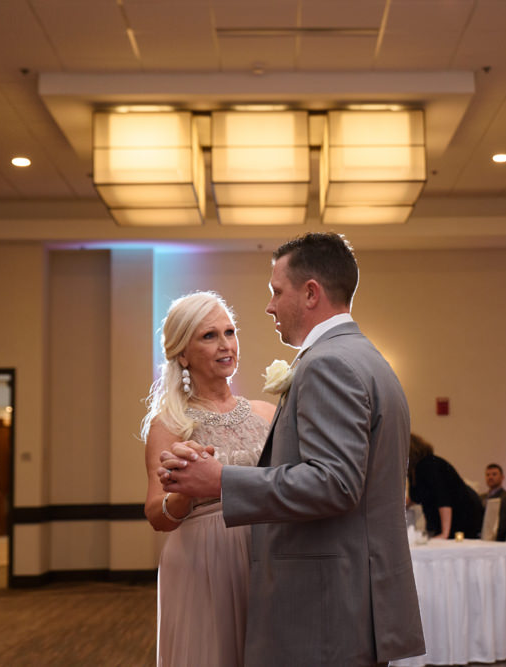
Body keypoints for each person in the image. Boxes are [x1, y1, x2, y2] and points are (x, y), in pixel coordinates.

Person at [161, 232, 425, 667]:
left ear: (310, 293)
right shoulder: (368, 357)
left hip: (324, 605)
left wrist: (220, 480)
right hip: (353, 593)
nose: (269, 306)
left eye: (275, 292)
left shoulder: (328, 364)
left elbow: (335, 483)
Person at [141, 291, 275, 667]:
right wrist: (182, 492)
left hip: (266, 552)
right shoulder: (170, 424)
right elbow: (157, 514)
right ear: (182, 354)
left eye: (229, 332)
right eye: (209, 336)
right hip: (203, 558)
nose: (225, 344)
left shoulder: (267, 413)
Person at [407, 434, 484, 539]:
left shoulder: (429, 464)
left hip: (462, 515)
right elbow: (416, 496)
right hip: (449, 515)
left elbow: (443, 498)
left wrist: (444, 534)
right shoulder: (414, 470)